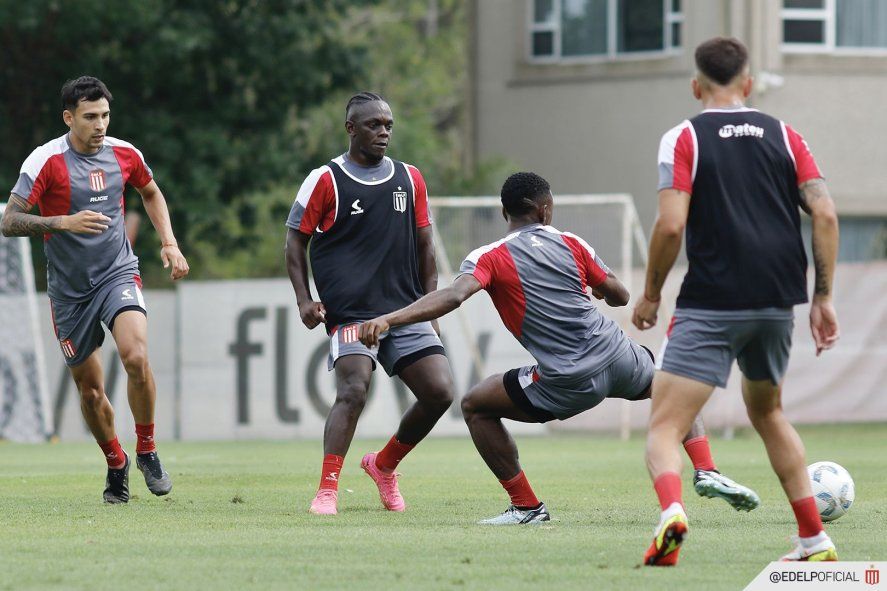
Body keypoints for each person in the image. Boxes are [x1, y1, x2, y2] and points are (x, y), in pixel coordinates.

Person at [358, 172, 756, 525]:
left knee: (476, 405)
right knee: (674, 383)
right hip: (619, 356)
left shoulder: (488, 256)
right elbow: (619, 294)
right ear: (545, 210)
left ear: (505, 213)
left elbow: (453, 296)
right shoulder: (571, 242)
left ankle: (527, 507)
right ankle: (706, 468)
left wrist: (390, 319)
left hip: (569, 379)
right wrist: (595, 286)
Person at [632, 37, 840, 565]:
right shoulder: (786, 135)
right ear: (748, 83)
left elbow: (671, 223)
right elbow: (826, 213)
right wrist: (823, 298)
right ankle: (814, 539)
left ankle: (672, 515)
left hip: (712, 301)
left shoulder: (683, 137)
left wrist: (653, 292)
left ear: (696, 85)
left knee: (663, 427)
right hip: (777, 300)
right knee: (769, 412)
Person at [1, 76, 189, 503]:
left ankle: (146, 449)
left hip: (117, 273)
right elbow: (9, 220)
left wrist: (170, 244)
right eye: (89, 117)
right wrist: (61, 222)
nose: (100, 124)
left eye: (104, 115)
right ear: (69, 118)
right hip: (69, 292)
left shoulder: (125, 154)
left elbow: (151, 192)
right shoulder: (44, 161)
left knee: (136, 356)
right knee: (90, 390)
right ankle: (116, 460)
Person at [285, 92, 455, 516]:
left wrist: (429, 307)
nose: (384, 132)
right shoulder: (326, 179)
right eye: (374, 125)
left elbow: (425, 246)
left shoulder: (410, 177)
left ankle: (384, 465)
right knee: (354, 388)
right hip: (351, 315)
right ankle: (327, 489)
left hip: (402, 309)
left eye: (388, 125)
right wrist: (304, 300)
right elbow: (294, 240)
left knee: (439, 392)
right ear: (350, 128)